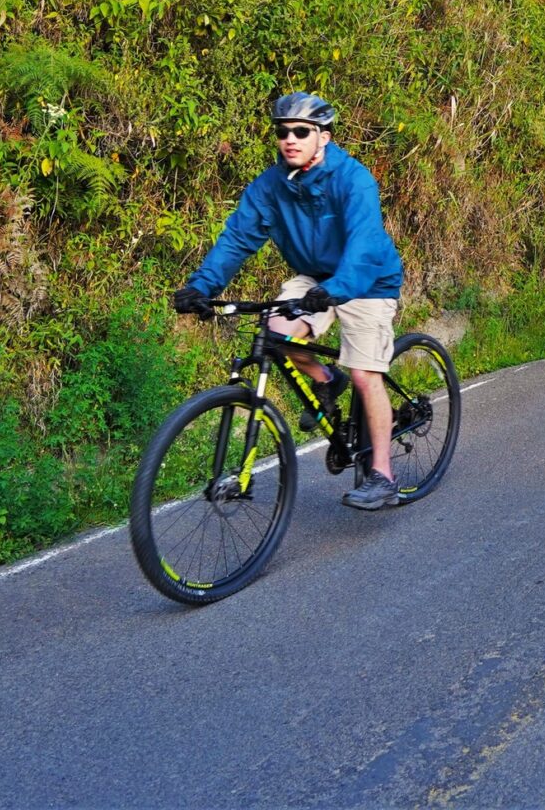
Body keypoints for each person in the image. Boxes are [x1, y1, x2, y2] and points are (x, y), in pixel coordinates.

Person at [171, 92, 407, 510]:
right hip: (315, 278)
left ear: (325, 137)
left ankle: (383, 475)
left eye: (302, 131)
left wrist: (338, 289)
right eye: (283, 132)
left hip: (366, 278)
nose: (290, 139)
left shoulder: (354, 180)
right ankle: (324, 381)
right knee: (276, 335)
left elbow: (365, 242)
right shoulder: (271, 187)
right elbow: (238, 238)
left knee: (364, 373)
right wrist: (203, 287)